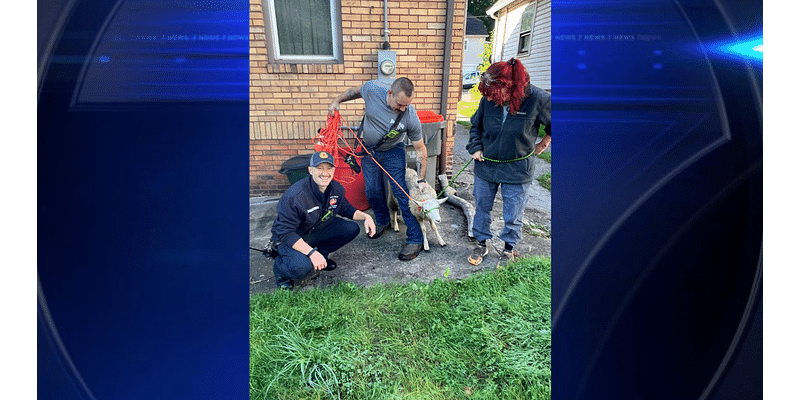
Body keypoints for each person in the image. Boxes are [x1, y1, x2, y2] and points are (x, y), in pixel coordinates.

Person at [328, 77, 429, 261]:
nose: (403, 109)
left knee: (400, 192)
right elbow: (355, 91)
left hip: (393, 152)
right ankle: (383, 221)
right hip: (369, 151)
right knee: (372, 190)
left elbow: (420, 149)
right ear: (390, 93)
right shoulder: (373, 89)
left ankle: (415, 239)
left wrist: (421, 180)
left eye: (407, 105)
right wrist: (336, 101)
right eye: (400, 104)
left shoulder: (410, 115)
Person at [466, 58, 551, 265]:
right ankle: (481, 242)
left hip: (518, 168)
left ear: (510, 86)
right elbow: (476, 126)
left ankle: (508, 248)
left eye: (496, 93)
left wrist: (543, 144)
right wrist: (476, 147)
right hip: (487, 165)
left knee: (513, 212)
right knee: (482, 207)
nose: (492, 99)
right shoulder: (488, 99)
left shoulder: (537, 98)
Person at [271, 151, 377, 289]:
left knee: (351, 229)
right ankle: (280, 270)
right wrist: (311, 253)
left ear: (333, 170)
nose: (324, 173)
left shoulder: (336, 189)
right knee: (303, 268)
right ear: (310, 170)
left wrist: (366, 217)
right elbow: (284, 232)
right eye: (319, 168)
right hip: (292, 238)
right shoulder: (295, 196)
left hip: (316, 230)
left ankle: (322, 255)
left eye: (328, 168)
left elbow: (346, 209)